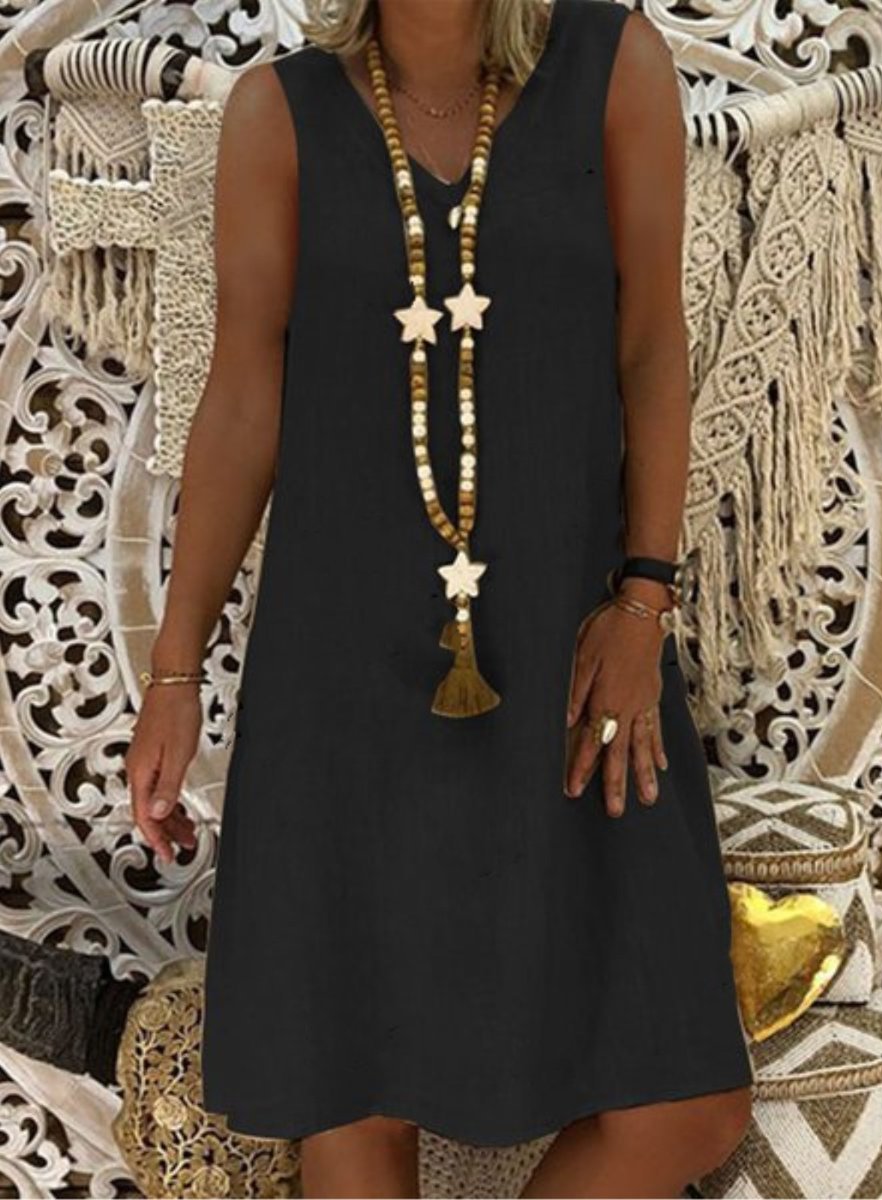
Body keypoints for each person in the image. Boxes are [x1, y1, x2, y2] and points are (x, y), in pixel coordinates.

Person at [126, 0, 754, 1194]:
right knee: (358, 1091)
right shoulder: (280, 116)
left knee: (686, 1101)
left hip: (574, 661)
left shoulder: (612, 67)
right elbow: (243, 399)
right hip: (341, 682)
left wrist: (644, 599)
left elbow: (652, 347)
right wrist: (175, 667)